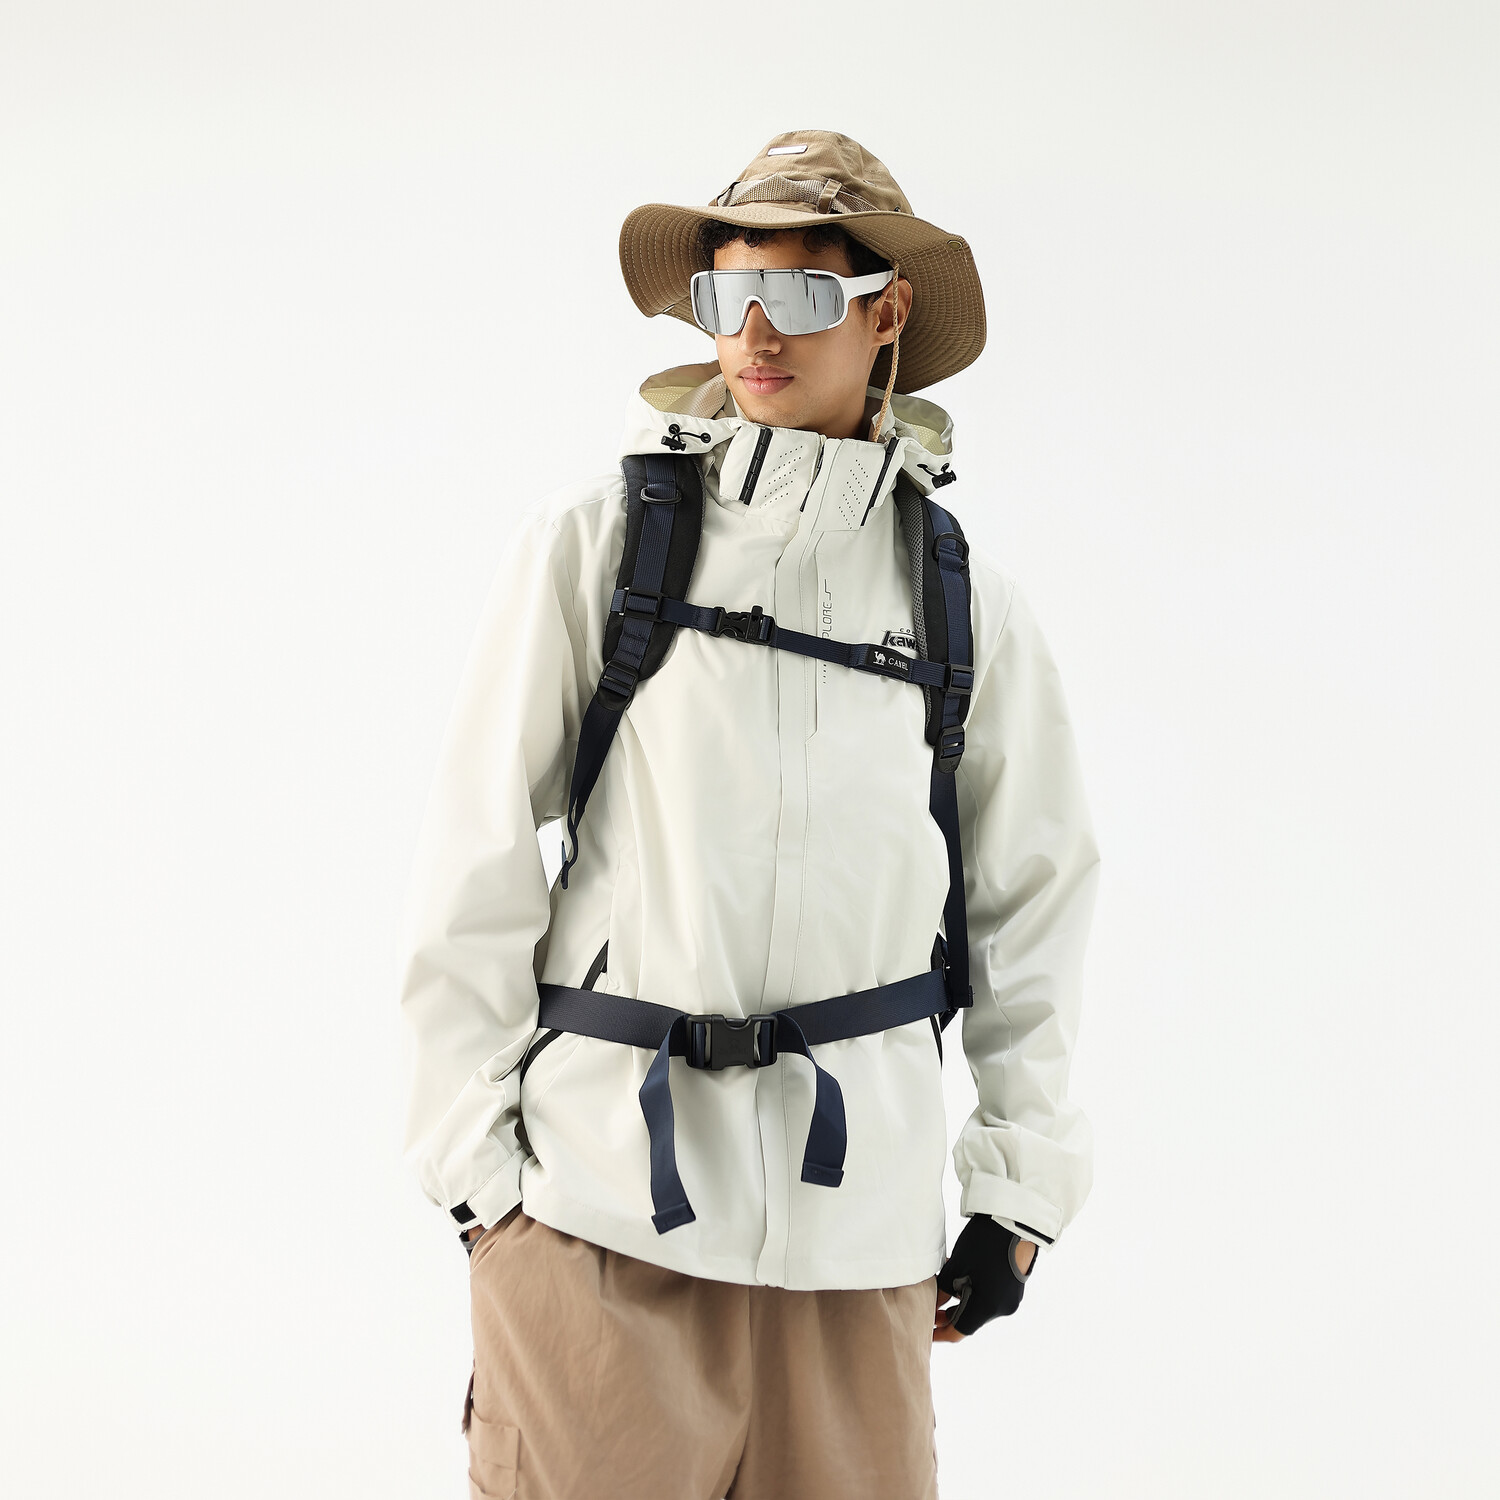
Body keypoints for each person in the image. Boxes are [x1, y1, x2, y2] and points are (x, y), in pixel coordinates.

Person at [397, 129, 1100, 1500]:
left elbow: (1034, 904)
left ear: (888, 312)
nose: (757, 332)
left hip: (860, 1250)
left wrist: (1017, 1187)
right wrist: (484, 1187)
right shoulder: (604, 546)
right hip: (600, 1223)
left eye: (802, 293)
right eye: (728, 292)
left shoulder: (963, 604)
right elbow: (474, 858)